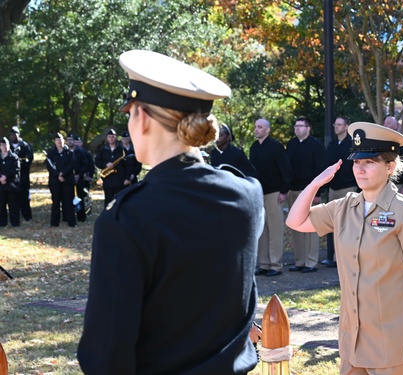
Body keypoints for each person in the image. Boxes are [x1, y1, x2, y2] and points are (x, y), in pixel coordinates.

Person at [78, 50, 264, 374]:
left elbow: (107, 356)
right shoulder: (247, 195)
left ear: (143, 118)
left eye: (129, 113)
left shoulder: (126, 219)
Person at [286, 122, 403, 375]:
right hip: (354, 339)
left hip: (395, 340)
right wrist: (316, 183)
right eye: (357, 162)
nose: (360, 169)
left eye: (369, 162)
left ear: (390, 167)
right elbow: (295, 221)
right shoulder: (344, 207)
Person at [250, 118, 291, 277]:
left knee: (275, 231)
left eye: (259, 127)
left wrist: (283, 191)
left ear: (267, 130)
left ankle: (275, 265)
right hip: (259, 194)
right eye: (255, 127)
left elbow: (286, 169)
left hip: (274, 194)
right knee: (261, 231)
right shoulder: (254, 148)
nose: (256, 129)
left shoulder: (276, 147)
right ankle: (264, 264)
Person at [286, 116, 327, 273]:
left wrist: (318, 192)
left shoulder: (316, 146)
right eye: (295, 126)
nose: (297, 128)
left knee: (311, 228)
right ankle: (300, 260)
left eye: (300, 126)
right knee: (295, 226)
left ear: (308, 129)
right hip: (294, 190)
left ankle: (311, 262)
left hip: (310, 192)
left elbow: (321, 170)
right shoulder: (291, 145)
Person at [322, 115, 357, 268]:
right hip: (333, 188)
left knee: (347, 223)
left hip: (348, 187)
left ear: (346, 127)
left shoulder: (352, 145)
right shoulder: (332, 145)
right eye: (335, 124)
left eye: (339, 124)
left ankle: (345, 257)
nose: (336, 127)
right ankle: (332, 256)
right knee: (333, 223)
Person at [45, 133, 77, 227]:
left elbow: (72, 165)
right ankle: (54, 223)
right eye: (57, 140)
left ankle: (71, 222)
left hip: (67, 180)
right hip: (55, 181)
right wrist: (58, 174)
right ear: (55, 142)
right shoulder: (51, 154)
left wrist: (63, 173)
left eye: (61, 139)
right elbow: (49, 167)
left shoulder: (70, 153)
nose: (59, 142)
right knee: (56, 202)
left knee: (68, 201)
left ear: (64, 141)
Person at [94, 128, 127, 207]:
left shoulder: (122, 149)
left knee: (119, 201)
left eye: (113, 136)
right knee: (108, 201)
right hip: (108, 180)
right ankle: (108, 218)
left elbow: (127, 164)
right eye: (110, 137)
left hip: (119, 179)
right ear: (107, 138)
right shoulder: (102, 150)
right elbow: (97, 162)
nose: (111, 138)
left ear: (116, 137)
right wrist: (106, 164)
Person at [9, 126, 33, 221]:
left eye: (15, 134)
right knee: (13, 198)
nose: (13, 136)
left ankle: (27, 216)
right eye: (12, 134)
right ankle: (14, 217)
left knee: (24, 197)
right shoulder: (8, 146)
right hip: (11, 177)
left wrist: (18, 162)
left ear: (19, 134)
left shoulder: (25, 146)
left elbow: (29, 159)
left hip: (23, 176)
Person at [0, 137, 20, 227]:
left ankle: (15, 223)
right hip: (1, 185)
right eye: (2, 145)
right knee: (1, 205)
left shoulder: (14, 157)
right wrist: (1, 178)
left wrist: (6, 177)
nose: (4, 147)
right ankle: (2, 223)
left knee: (13, 205)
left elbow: (16, 169)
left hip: (11, 185)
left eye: (6, 145)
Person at [74, 135, 95, 221]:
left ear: (82, 143)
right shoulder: (71, 152)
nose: (77, 144)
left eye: (79, 142)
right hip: (75, 179)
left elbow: (91, 166)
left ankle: (86, 213)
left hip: (84, 179)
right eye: (76, 142)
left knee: (84, 196)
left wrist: (89, 176)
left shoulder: (86, 153)